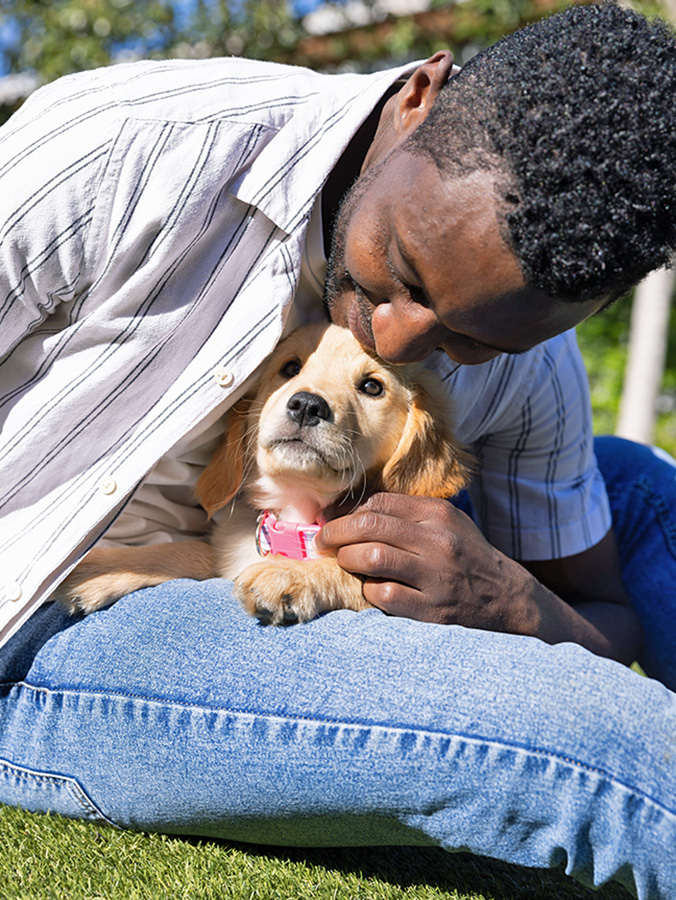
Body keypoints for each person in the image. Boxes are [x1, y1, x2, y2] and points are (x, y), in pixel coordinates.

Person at [1, 2, 676, 896]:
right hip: (55, 619)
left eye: (469, 343)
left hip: (300, 556)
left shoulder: (534, 358)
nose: (393, 344)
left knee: (640, 488)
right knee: (593, 736)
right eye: (402, 268)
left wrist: (513, 602)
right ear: (419, 101)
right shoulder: (127, 151)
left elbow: (604, 617)